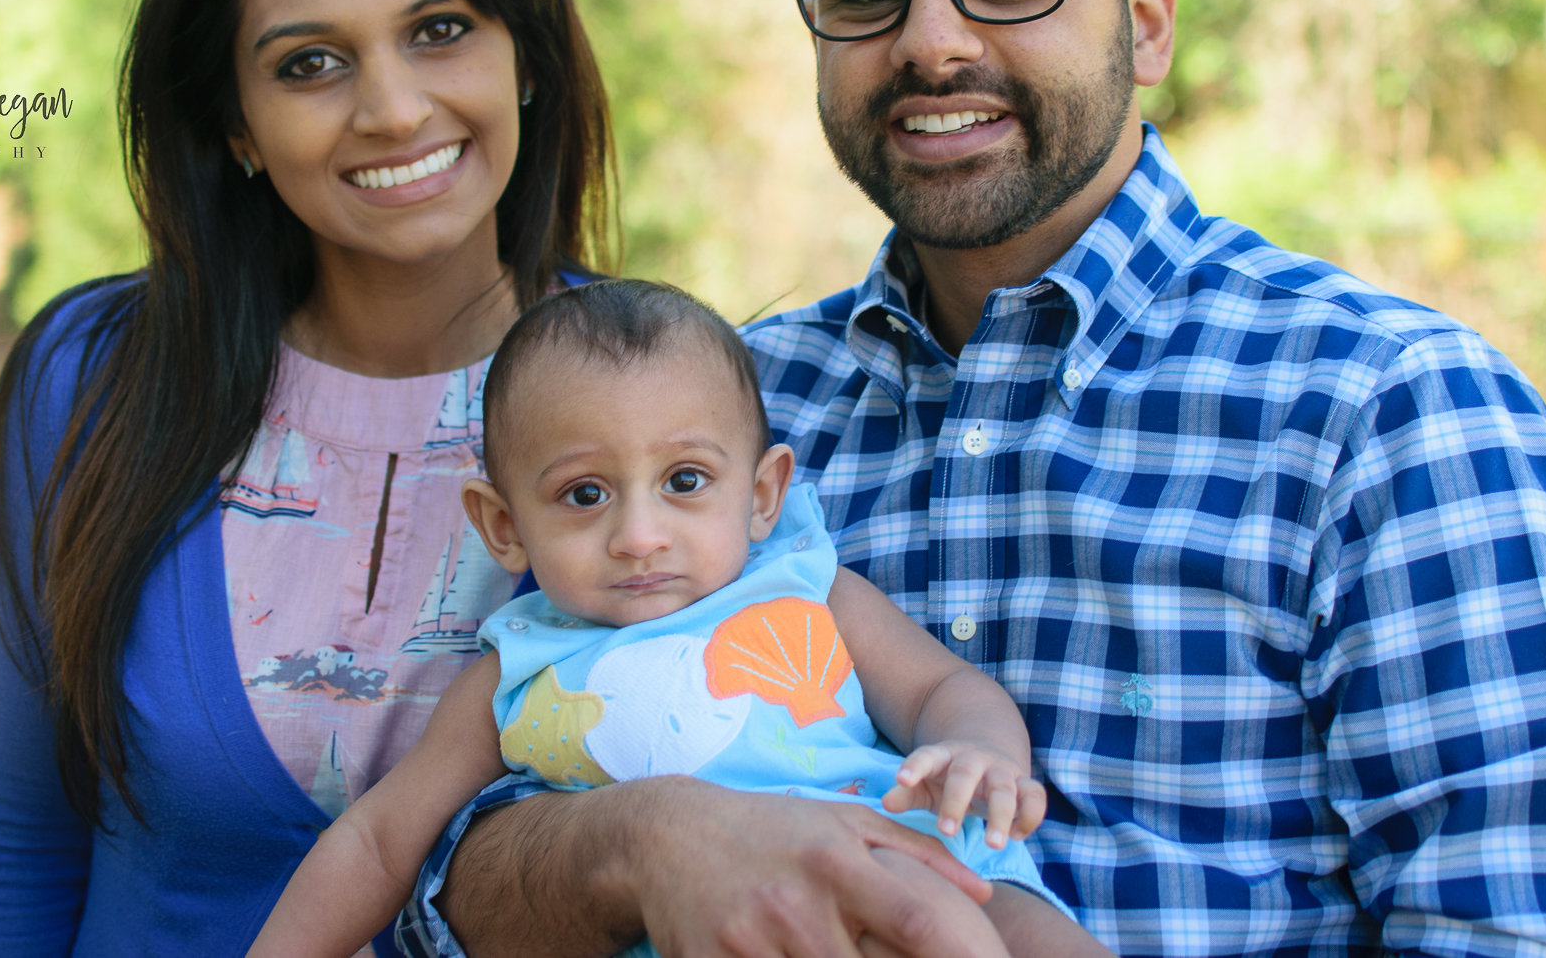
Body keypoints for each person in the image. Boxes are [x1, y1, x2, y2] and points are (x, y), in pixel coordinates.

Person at [411, 0, 1546, 958]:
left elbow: (1510, 930)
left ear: (1145, 18)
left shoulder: (1388, 415)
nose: (931, 42)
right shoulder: (705, 418)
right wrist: (633, 843)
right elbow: (450, 877)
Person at [0, 0, 619, 956]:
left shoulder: (664, 389)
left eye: (441, 29)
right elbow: (26, 832)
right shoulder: (89, 381)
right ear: (237, 127)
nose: (393, 108)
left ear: (528, 61)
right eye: (310, 63)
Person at [247, 280, 1111, 958]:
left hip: (900, 850)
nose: (639, 535)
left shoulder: (804, 589)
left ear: (764, 491)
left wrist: (981, 755)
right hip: (676, 920)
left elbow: (941, 686)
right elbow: (376, 842)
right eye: (584, 495)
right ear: (504, 526)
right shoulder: (515, 672)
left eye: (686, 481)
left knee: (1015, 933)